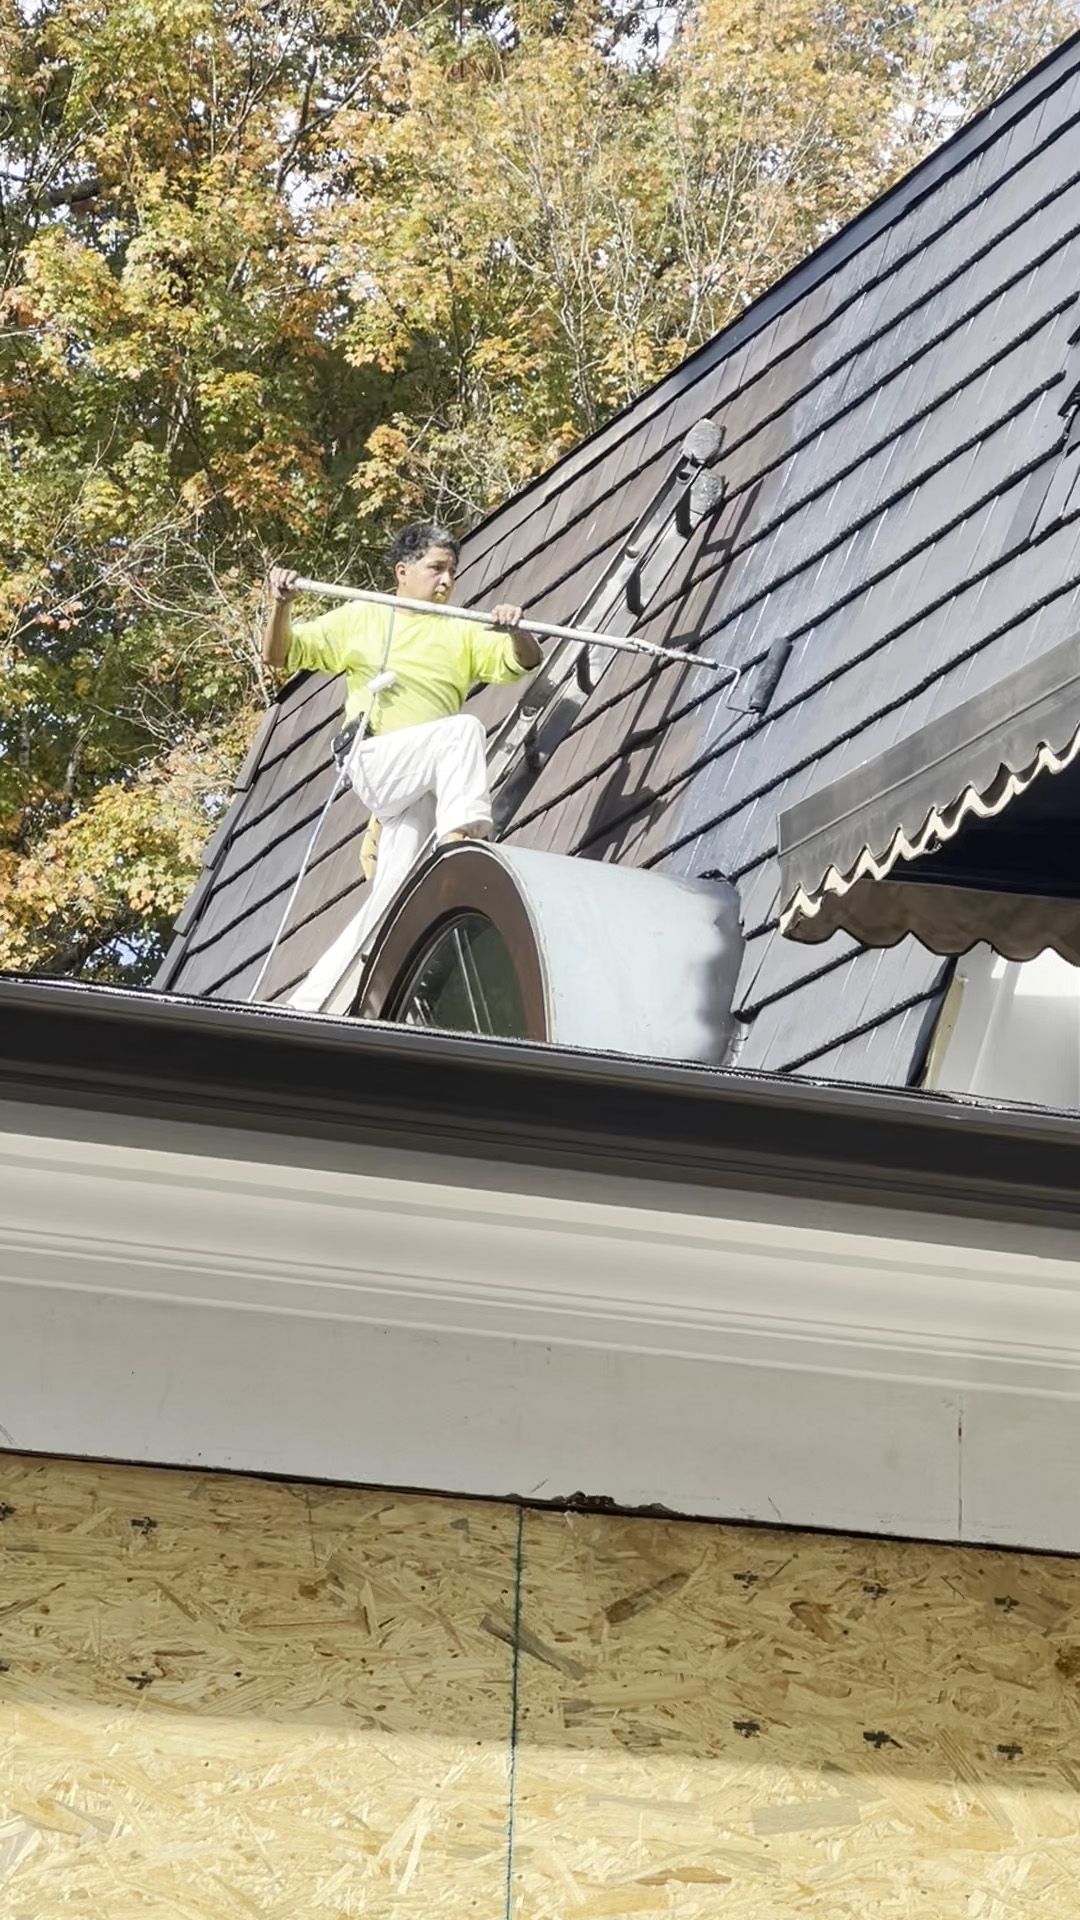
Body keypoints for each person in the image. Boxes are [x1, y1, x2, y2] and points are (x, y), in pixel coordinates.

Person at [263, 522, 541, 1012]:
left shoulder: (461, 628)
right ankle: (464, 842)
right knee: (463, 730)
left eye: (452, 571)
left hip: (422, 782)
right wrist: (281, 605)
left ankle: (311, 1004)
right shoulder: (364, 616)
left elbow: (526, 661)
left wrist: (516, 630)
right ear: (402, 572)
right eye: (436, 568)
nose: (446, 580)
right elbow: (279, 655)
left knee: (393, 895)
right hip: (374, 759)